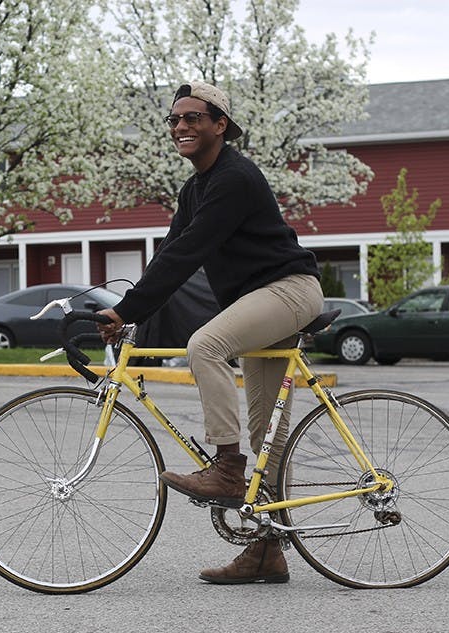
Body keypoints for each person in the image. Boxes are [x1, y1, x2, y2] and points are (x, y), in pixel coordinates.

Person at [97, 81, 324, 585]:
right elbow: (170, 254)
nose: (181, 126)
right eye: (174, 119)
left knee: (206, 345)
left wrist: (130, 307)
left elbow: (189, 252)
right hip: (259, 301)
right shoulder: (195, 187)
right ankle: (268, 550)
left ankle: (226, 467)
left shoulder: (233, 178)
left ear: (220, 125)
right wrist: (130, 312)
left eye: (193, 117)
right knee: (269, 435)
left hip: (289, 291)